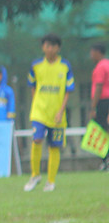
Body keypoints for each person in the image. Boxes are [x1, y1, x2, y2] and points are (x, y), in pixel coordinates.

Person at [24, 33, 74, 192]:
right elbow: (32, 85)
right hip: (39, 112)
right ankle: (35, 175)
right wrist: (36, 103)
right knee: (37, 139)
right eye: (46, 45)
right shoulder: (36, 65)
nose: (49, 48)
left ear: (58, 48)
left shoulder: (65, 66)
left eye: (53, 45)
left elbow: (68, 91)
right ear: (42, 47)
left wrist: (61, 111)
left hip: (57, 115)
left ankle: (50, 181)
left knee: (54, 147)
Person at [88, 43, 109, 170]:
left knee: (101, 130)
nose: (91, 55)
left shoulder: (101, 67)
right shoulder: (107, 63)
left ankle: (105, 159)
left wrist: (93, 107)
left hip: (103, 101)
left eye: (92, 52)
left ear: (97, 52)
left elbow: (99, 86)